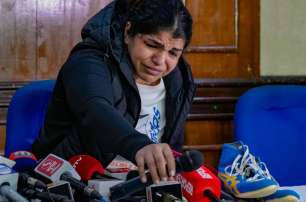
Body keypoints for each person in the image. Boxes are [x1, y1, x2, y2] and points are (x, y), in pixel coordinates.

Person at [32, 0, 195, 184]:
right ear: (128, 32)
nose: (160, 60)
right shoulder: (88, 62)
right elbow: (95, 110)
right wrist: (140, 146)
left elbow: (171, 146)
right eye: (151, 45)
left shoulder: (177, 80)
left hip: (136, 187)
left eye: (173, 53)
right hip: (71, 182)